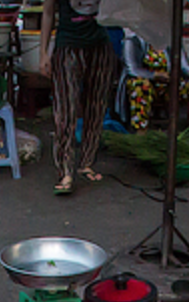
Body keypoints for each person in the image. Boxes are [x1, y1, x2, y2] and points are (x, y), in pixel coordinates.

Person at [39, 0, 120, 195]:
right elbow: (48, 12)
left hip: (100, 46)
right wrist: (43, 53)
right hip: (68, 46)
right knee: (65, 110)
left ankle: (87, 163)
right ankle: (65, 171)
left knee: (97, 105)